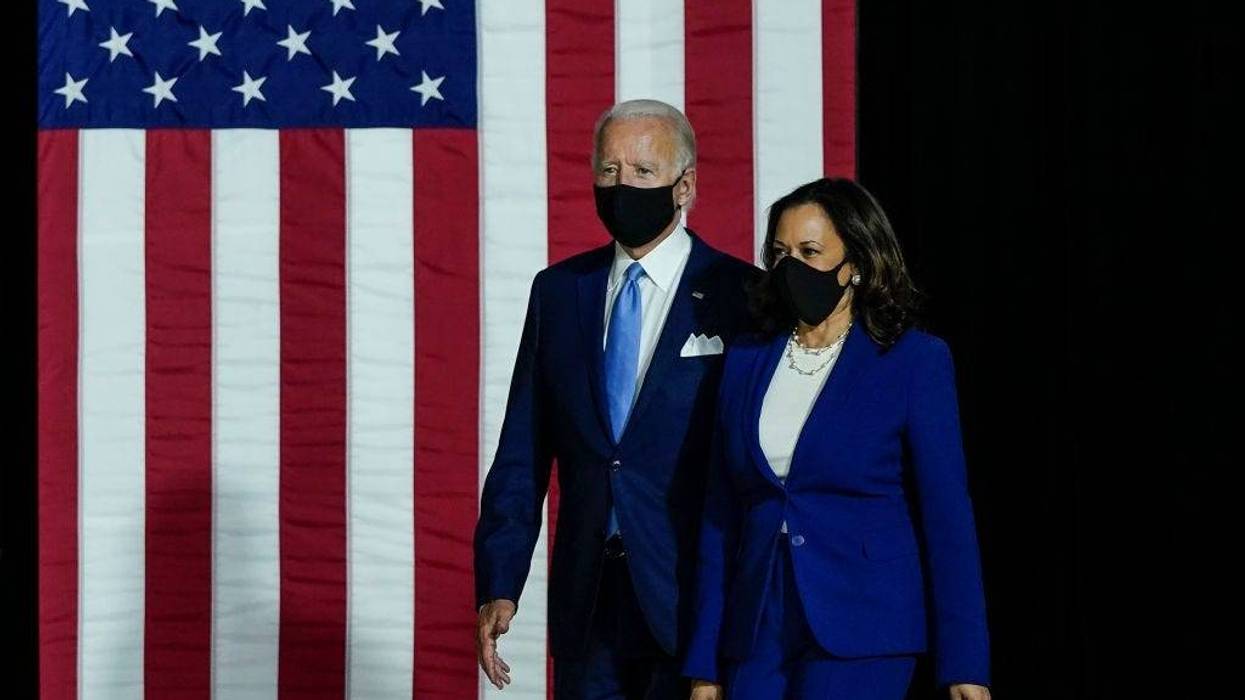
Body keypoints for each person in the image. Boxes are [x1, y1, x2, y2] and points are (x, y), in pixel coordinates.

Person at [473, 99, 758, 699]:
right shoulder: (558, 292)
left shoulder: (741, 296)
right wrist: (500, 580)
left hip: (695, 601)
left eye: (643, 172)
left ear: (685, 187)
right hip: (589, 600)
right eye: (609, 170)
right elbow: (522, 450)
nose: (622, 185)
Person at [682, 178, 992, 700]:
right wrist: (705, 663)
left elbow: (947, 520)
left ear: (857, 265)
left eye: (809, 252)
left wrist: (966, 663)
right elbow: (720, 518)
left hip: (864, 625)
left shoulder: (914, 362)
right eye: (779, 253)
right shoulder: (746, 359)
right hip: (757, 625)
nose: (789, 267)